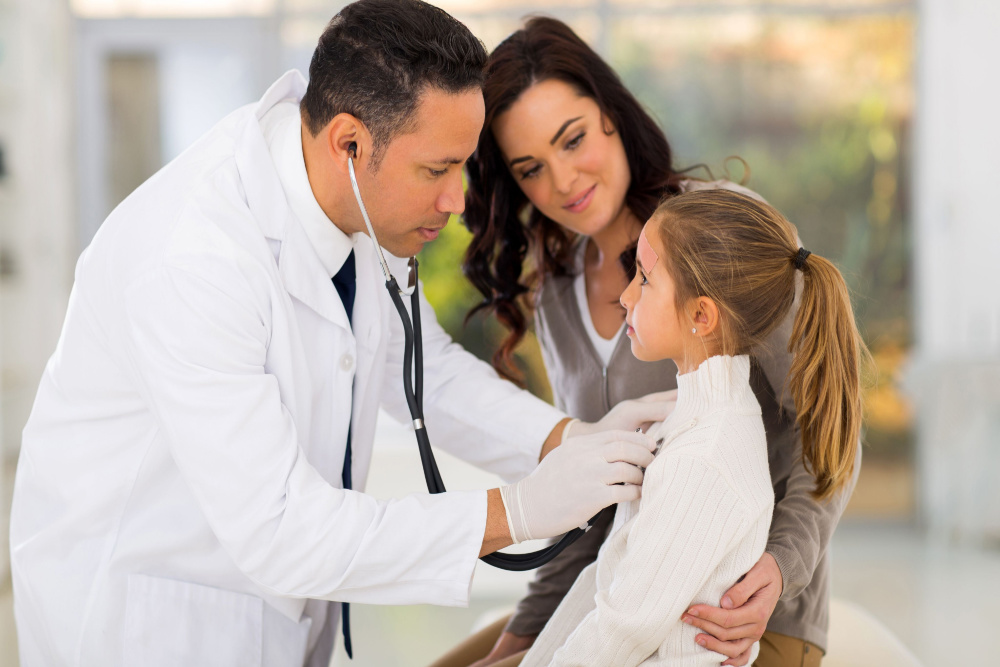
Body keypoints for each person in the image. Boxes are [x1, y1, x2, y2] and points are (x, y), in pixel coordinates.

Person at [8, 3, 668, 666]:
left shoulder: (356, 200)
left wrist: (570, 440)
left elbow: (420, 367)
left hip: (270, 619)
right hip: (146, 629)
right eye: (436, 170)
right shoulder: (192, 259)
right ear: (349, 143)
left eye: (461, 167)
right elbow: (281, 530)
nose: (456, 200)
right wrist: (517, 512)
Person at [440, 17, 861, 667]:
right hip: (622, 592)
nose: (563, 181)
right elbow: (596, 505)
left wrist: (781, 567)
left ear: (611, 112)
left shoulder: (719, 239)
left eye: (572, 139)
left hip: (729, 623)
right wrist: (519, 637)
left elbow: (828, 428)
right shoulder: (555, 290)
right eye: (531, 169)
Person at [518, 188, 865, 666]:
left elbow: (625, 628)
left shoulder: (703, 459)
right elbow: (611, 585)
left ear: (701, 315)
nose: (624, 297)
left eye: (644, 280)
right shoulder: (686, 422)